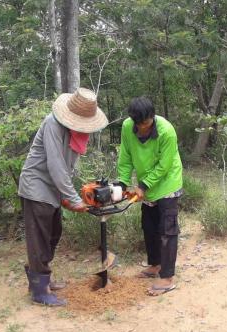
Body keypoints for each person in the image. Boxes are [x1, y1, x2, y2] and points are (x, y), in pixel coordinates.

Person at [18, 88, 108, 306]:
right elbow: (56, 166)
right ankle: (40, 291)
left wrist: (68, 196)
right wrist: (74, 198)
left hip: (53, 190)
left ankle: (39, 278)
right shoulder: (53, 124)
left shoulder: (77, 133)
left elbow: (67, 169)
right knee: (39, 238)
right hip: (36, 186)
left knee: (54, 234)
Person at [117, 97, 183, 296]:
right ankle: (155, 264)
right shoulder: (128, 127)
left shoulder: (166, 131)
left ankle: (167, 277)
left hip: (167, 183)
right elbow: (126, 156)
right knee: (149, 226)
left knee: (167, 230)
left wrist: (143, 186)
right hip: (147, 184)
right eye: (138, 124)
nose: (142, 128)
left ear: (152, 118)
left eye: (146, 124)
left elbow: (165, 165)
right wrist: (122, 183)